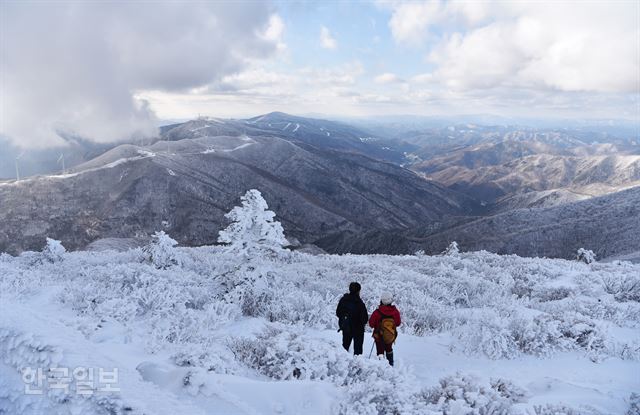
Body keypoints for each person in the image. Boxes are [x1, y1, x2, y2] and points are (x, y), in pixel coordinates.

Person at [369, 292, 401, 366]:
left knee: (380, 351)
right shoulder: (395, 312)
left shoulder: (377, 312)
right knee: (389, 349)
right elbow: (398, 323)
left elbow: (371, 324)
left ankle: (381, 367)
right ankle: (390, 365)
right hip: (390, 335)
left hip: (379, 336)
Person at [336, 282, 368, 355]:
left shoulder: (343, 300)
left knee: (344, 348)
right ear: (358, 291)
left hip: (346, 327)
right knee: (358, 351)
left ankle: (342, 363)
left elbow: (338, 313)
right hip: (358, 329)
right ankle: (357, 365)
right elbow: (364, 318)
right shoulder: (359, 303)